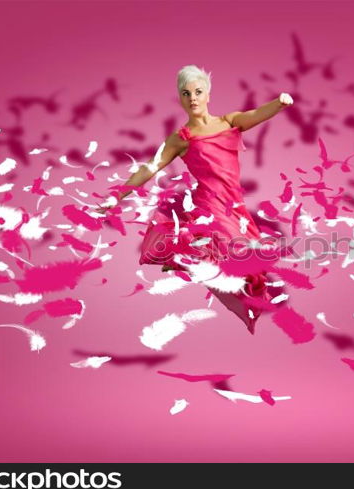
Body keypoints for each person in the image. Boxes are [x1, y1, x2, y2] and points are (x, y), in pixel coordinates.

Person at [96, 65, 294, 333]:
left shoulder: (228, 122)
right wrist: (116, 196)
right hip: (208, 205)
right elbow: (149, 168)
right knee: (228, 252)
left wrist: (279, 104)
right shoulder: (180, 138)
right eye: (186, 93)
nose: (193, 98)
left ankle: (190, 259)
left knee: (250, 266)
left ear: (208, 95)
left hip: (234, 204)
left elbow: (255, 115)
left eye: (198, 92)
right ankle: (187, 257)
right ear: (181, 99)